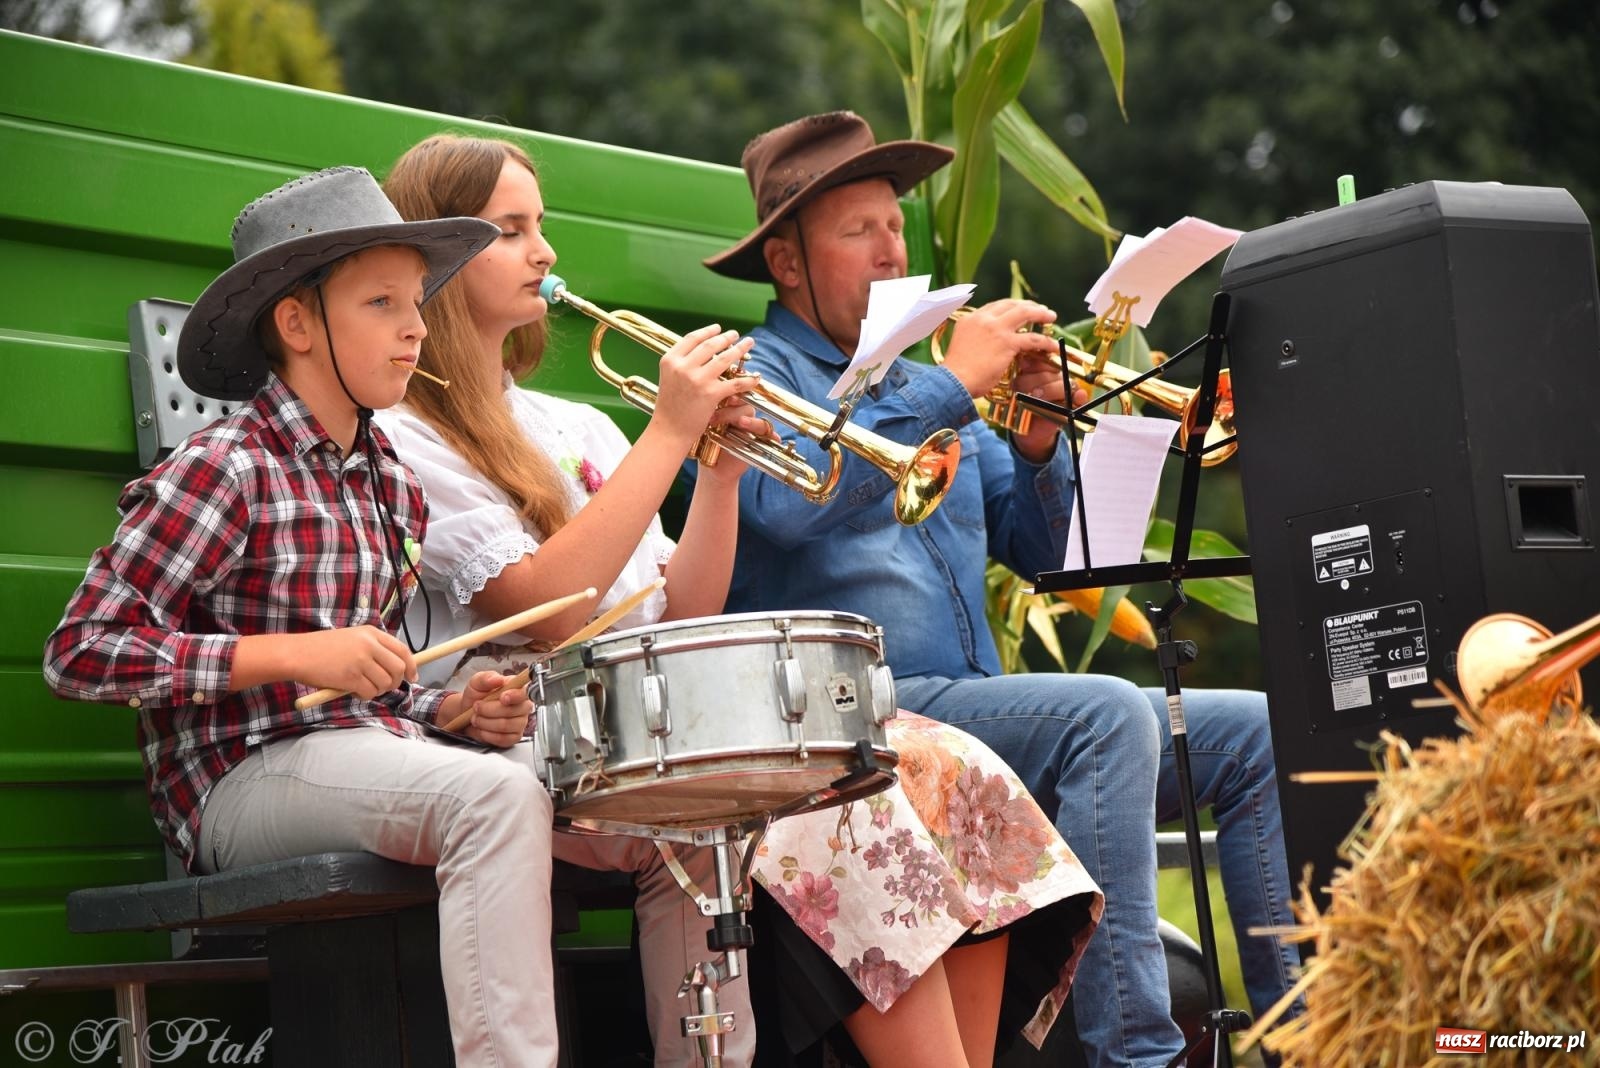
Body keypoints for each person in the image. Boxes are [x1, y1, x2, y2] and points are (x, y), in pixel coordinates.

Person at [377, 133, 1102, 1068]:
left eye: (541, 226)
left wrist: (715, 471)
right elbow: (551, 611)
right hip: (551, 737)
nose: (546, 251)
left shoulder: (580, 421)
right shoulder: (407, 435)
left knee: (945, 765)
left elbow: (685, 613)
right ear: (438, 256)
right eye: (511, 232)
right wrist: (670, 437)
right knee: (840, 794)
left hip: (654, 723)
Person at [698, 111, 1302, 1068]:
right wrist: (948, 388)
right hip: (862, 712)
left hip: (973, 709)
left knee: (1254, 735)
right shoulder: (758, 373)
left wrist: (1039, 443)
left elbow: (1054, 559)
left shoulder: (920, 379)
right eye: (856, 231)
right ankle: (1137, 1058)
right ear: (784, 261)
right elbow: (783, 511)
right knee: (1107, 716)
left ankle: (1305, 1044)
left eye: (895, 226)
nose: (890, 249)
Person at [43, 167, 560, 1067]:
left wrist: (447, 709)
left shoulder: (391, 482)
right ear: (297, 323)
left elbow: (362, 692)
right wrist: (290, 654)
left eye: (417, 301)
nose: (415, 327)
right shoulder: (226, 467)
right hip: (237, 781)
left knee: (596, 789)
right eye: (381, 302)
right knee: (498, 795)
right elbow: (82, 651)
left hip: (357, 757)